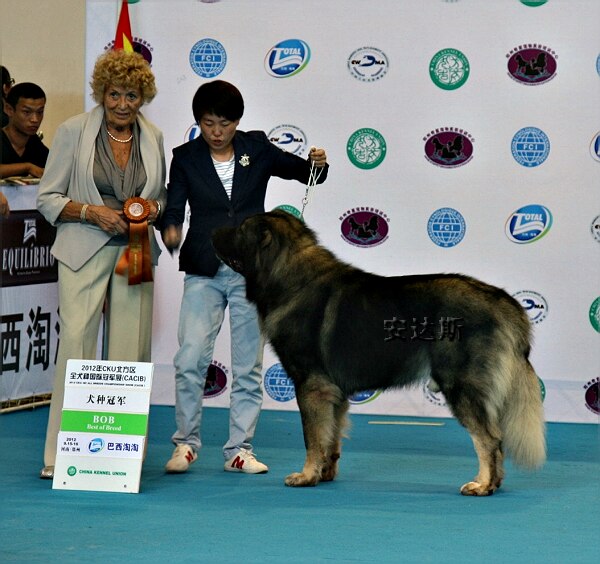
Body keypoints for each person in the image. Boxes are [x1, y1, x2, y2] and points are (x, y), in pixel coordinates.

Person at [161, 80, 329, 475]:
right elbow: (175, 205)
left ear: (237, 121)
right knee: (190, 358)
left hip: (252, 272)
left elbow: (307, 174)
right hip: (203, 268)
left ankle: (239, 449)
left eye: (224, 124)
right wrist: (170, 228)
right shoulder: (185, 157)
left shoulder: (258, 148)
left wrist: (318, 163)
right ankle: (185, 444)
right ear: (198, 122)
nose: (216, 132)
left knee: (248, 364)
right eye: (208, 124)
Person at [36, 49, 167, 480]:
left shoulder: (154, 137)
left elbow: (160, 196)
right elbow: (47, 199)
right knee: (75, 345)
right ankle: (59, 454)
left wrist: (152, 208)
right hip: (82, 248)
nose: (122, 104)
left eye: (132, 95)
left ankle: (121, 455)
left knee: (131, 352)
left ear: (143, 97)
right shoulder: (73, 131)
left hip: (135, 250)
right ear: (101, 93)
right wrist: (92, 213)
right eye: (114, 94)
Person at [0, 82, 48, 179]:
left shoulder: (35, 143)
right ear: (9, 110)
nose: (35, 119)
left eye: (40, 112)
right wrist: (27, 167)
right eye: (27, 112)